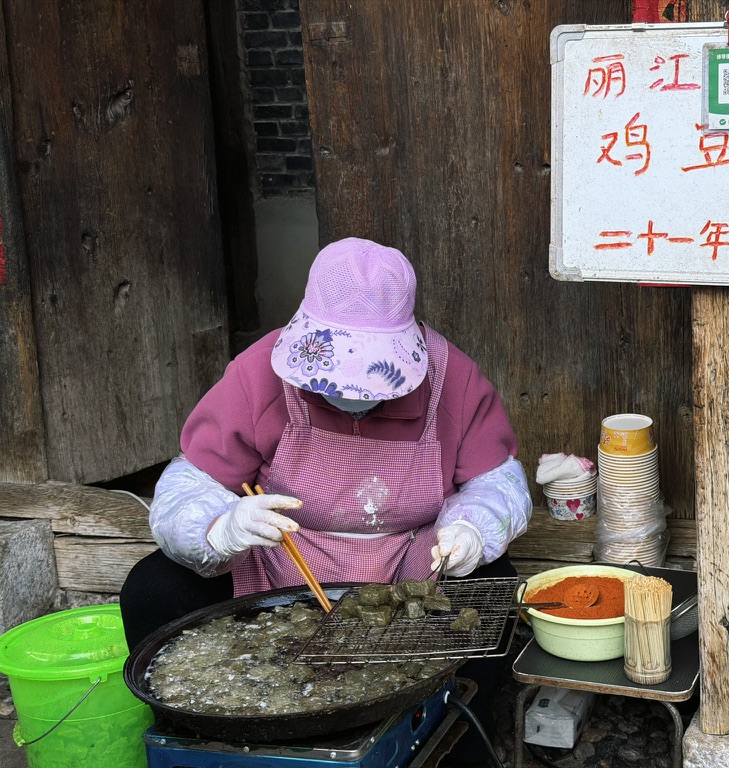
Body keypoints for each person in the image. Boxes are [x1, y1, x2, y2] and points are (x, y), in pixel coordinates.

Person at [120, 237, 532, 764]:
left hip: (410, 565)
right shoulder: (258, 373)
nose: (353, 397)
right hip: (279, 563)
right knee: (153, 588)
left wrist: (474, 527)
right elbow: (191, 480)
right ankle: (206, 742)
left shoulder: (453, 379)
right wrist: (220, 526)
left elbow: (496, 481)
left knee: (491, 586)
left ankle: (451, 746)